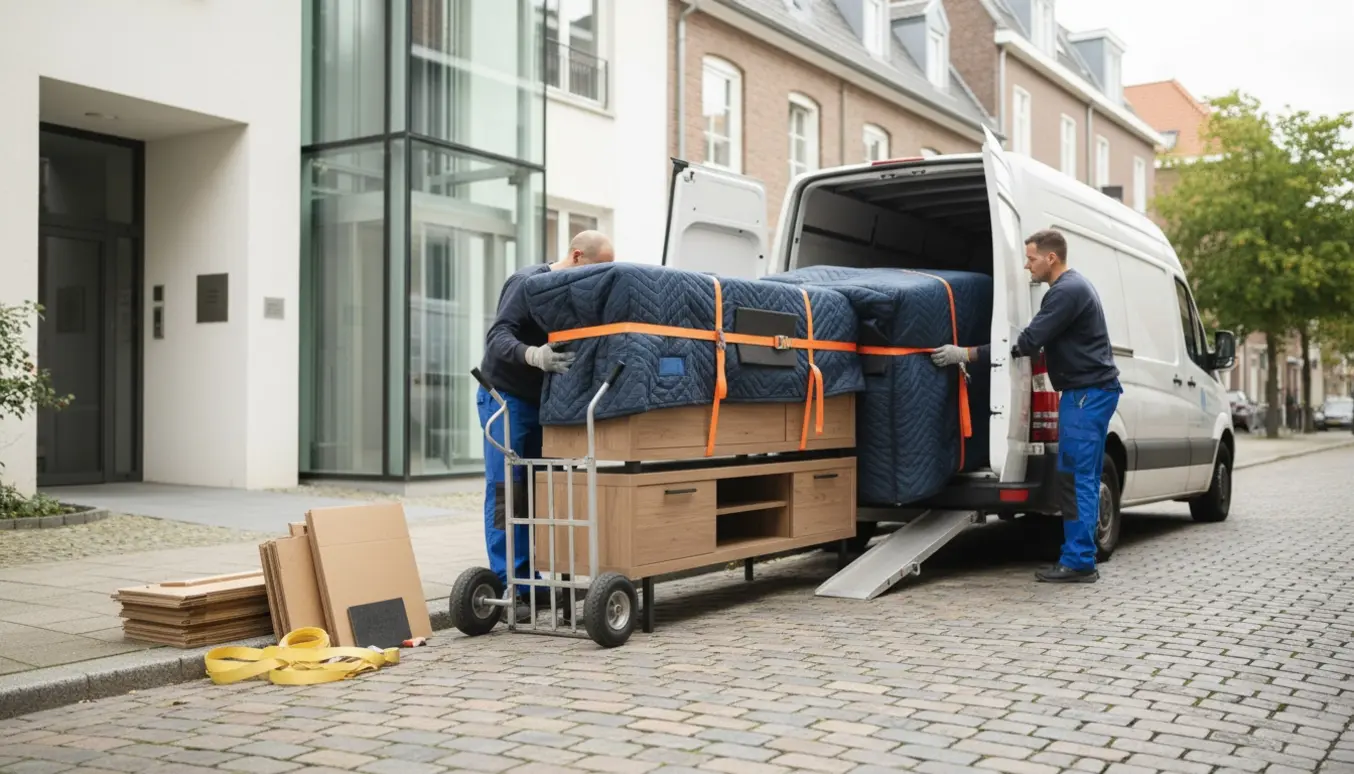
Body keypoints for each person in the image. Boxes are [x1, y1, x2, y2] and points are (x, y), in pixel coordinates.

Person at [930, 228, 1121, 584]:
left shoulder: (1065, 292)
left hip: (1085, 396)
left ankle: (1080, 561)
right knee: (1078, 476)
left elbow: (1028, 342)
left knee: (1077, 478)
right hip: (1086, 394)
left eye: (1031, 258)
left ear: (1051, 258)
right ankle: (1079, 556)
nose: (1027, 265)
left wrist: (966, 354)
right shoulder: (1071, 288)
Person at [477, 230, 615, 604]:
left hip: (543, 404)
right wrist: (533, 355)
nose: (597, 280)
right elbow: (497, 336)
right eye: (596, 270)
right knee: (510, 490)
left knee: (539, 492)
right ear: (576, 256)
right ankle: (512, 585)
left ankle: (531, 580)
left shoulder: (574, 296)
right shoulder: (528, 283)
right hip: (505, 399)